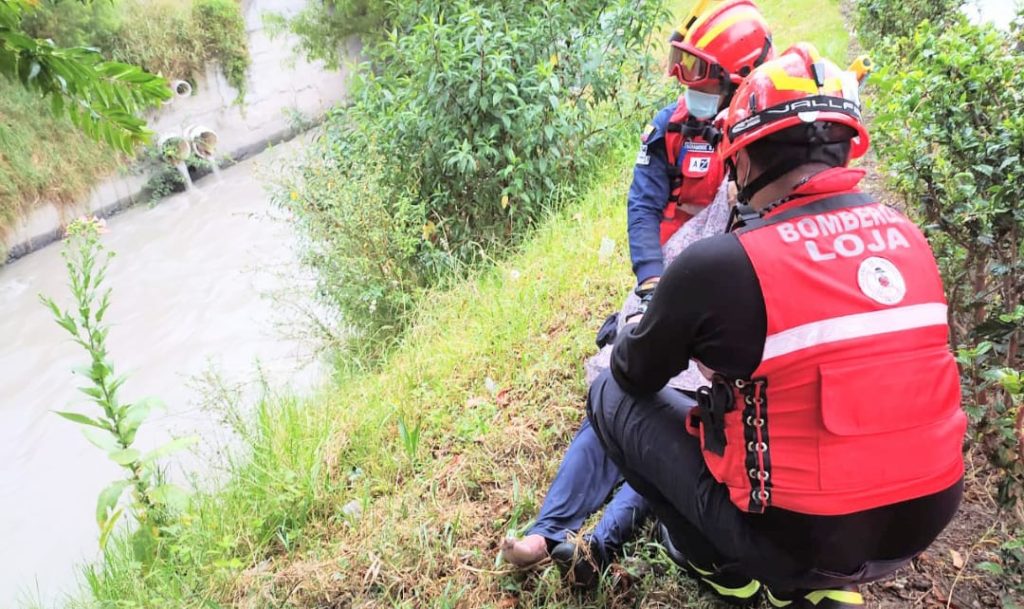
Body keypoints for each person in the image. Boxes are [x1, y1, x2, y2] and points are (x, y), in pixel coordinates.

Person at [586, 43, 966, 608]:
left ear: (742, 158)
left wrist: (640, 318)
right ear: (842, 149)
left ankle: (726, 572)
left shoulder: (721, 262)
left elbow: (634, 372)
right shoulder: (908, 237)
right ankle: (826, 590)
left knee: (609, 395)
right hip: (923, 522)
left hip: (800, 541)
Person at [501, 0, 774, 587]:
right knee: (621, 388)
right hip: (674, 282)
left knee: (683, 423)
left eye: (700, 72)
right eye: (684, 65)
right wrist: (654, 282)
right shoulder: (670, 128)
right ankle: (549, 529)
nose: (685, 82)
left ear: (740, 79)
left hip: (731, 298)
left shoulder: (764, 142)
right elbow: (643, 205)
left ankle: (600, 545)